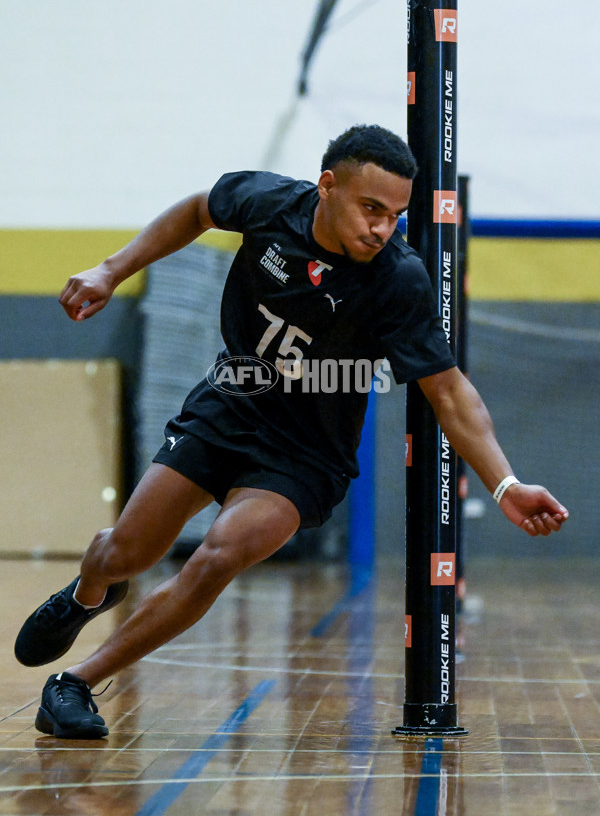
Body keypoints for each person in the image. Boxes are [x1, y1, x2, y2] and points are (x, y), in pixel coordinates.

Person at [14, 124, 568, 739]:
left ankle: (76, 683)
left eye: (396, 215)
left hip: (305, 455)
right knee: (125, 553)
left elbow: (450, 392)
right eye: (371, 209)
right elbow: (199, 210)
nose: (382, 228)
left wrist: (505, 483)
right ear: (327, 187)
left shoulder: (398, 280)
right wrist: (111, 270)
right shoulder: (271, 203)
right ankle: (88, 595)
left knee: (218, 553)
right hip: (228, 408)